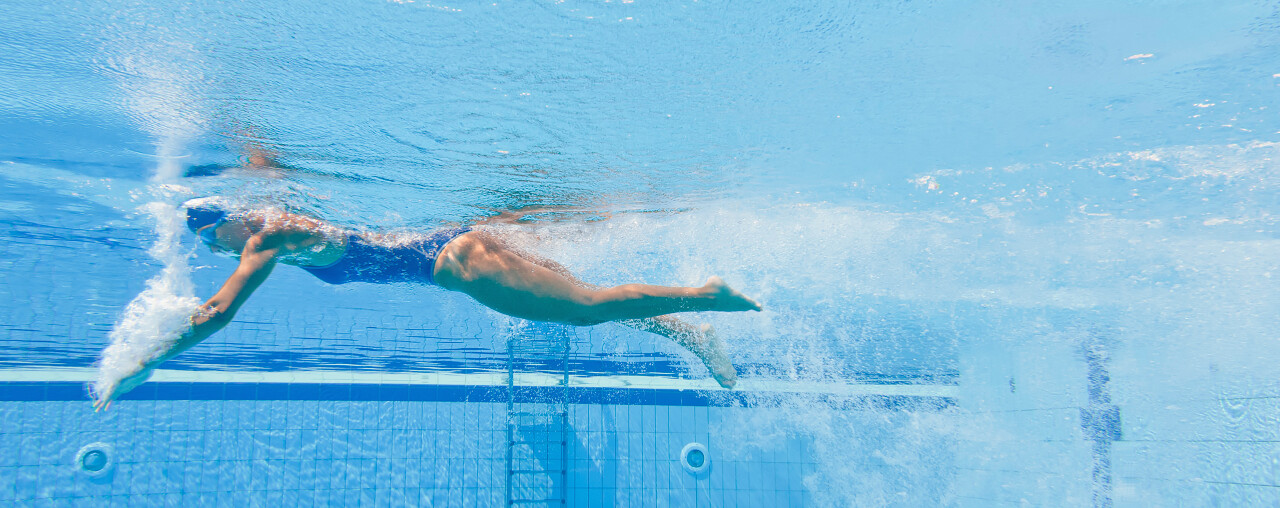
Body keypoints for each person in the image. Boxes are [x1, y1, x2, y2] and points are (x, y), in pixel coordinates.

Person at [92, 197, 762, 410]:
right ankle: (695, 334)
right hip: (457, 245)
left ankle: (704, 295)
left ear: (228, 223)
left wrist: (140, 360)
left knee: (585, 305)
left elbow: (217, 313)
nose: (218, 252)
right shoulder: (279, 213)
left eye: (213, 240)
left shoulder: (268, 236)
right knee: (577, 297)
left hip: (459, 262)